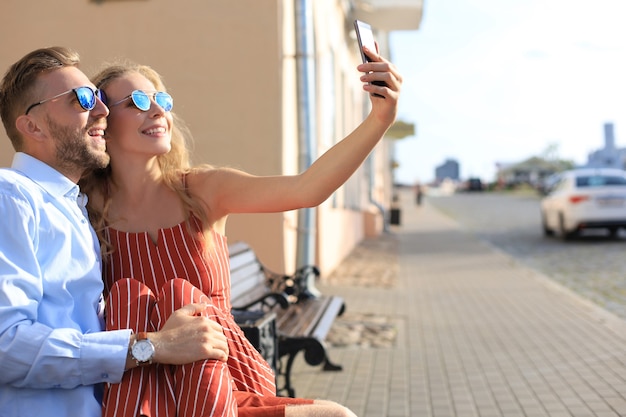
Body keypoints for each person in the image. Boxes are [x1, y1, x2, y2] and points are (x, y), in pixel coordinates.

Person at [80, 44, 401, 417]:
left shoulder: (201, 191)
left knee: (182, 296)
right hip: (142, 392)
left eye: (162, 99)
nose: (158, 110)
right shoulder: (85, 210)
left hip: (223, 382)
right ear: (101, 120)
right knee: (128, 294)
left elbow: (306, 189)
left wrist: (380, 119)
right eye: (137, 101)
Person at [0, 46, 232, 417]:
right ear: (32, 126)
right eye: (82, 98)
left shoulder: (74, 206)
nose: (102, 110)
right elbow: (5, 345)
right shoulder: (11, 197)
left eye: (100, 99)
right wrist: (151, 346)